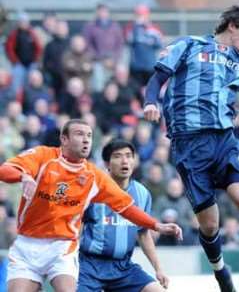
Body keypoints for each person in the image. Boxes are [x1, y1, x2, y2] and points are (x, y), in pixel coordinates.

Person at [143, 5, 239, 292]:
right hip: (189, 143)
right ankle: (220, 272)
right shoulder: (189, 45)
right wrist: (151, 101)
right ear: (233, 25)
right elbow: (157, 79)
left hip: (223, 140)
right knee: (209, 224)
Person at [0, 119, 182, 292]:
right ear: (64, 139)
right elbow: (4, 170)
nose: (86, 139)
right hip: (28, 243)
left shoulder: (94, 177)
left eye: (89, 135)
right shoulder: (43, 156)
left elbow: (126, 208)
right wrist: (23, 177)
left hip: (63, 246)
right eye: (79, 134)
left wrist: (156, 225)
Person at [78, 139, 169, 292]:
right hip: (89, 267)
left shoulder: (142, 194)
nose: (124, 161)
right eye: (118, 156)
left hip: (123, 268)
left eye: (128, 156)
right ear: (107, 163)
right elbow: (76, 227)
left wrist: (159, 269)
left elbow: (143, 234)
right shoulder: (92, 190)